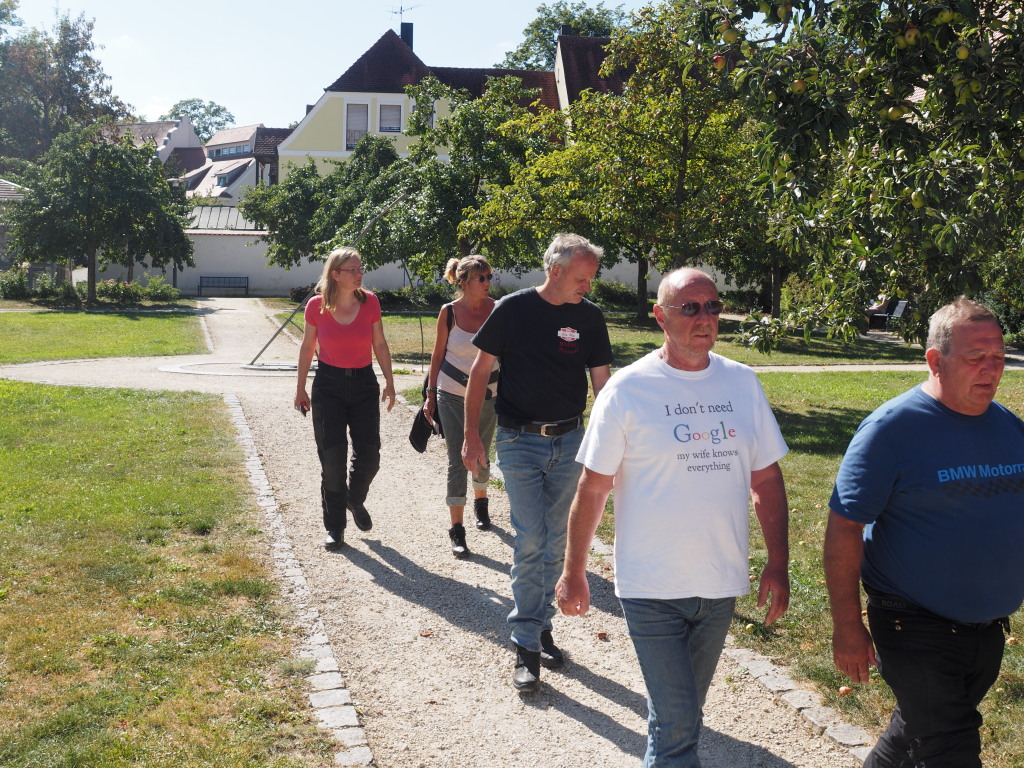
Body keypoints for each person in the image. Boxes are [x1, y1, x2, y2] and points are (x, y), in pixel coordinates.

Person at [555, 267, 791, 767]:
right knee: (679, 724)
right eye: (690, 308)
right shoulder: (627, 390)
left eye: (713, 307)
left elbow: (767, 480)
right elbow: (593, 487)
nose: (705, 318)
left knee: (678, 718)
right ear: (660, 317)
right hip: (651, 586)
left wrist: (778, 562)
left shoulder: (742, 383)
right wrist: (574, 570)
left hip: (720, 583)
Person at [825, 297, 1024, 768]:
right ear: (936, 361)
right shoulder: (892, 430)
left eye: (999, 356)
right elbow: (845, 527)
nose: (991, 368)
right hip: (913, 623)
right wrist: (847, 624)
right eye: (976, 357)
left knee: (913, 733)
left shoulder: (1010, 428)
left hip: (986, 629)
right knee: (949, 749)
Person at [462, 232, 613, 692]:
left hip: (570, 442)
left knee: (556, 544)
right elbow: (480, 371)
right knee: (530, 540)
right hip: (519, 440)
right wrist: (471, 436)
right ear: (556, 271)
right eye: (582, 278)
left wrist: (613, 444)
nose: (588, 286)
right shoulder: (513, 309)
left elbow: (603, 386)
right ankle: (526, 645)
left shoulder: (590, 317)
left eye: (591, 278)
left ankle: (540, 624)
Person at [295, 247, 396, 551]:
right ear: (336, 274)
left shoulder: (371, 302)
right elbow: (307, 347)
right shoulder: (316, 306)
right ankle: (335, 527)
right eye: (353, 269)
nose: (359, 273)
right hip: (328, 386)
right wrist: (300, 388)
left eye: (360, 268)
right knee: (332, 461)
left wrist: (390, 382)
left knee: (370, 456)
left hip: (364, 384)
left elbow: (380, 343)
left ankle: (354, 498)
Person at [423, 255, 499, 559]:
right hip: (452, 393)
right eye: (481, 278)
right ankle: (457, 530)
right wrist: (430, 394)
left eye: (489, 276)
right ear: (464, 281)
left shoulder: (497, 309)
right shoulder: (449, 312)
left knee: (482, 455)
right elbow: (437, 355)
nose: (487, 282)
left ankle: (481, 502)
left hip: (489, 394)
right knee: (458, 458)